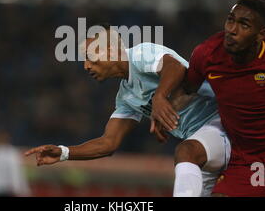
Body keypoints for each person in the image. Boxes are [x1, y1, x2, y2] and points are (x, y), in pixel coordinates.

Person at [154, 0, 265, 196]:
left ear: (261, 34)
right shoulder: (208, 54)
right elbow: (187, 89)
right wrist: (165, 108)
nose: (232, 29)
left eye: (244, 25)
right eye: (230, 20)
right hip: (248, 157)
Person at [25, 24, 231, 197]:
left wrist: (159, 97)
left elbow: (175, 67)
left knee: (185, 153)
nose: (86, 66)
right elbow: (108, 143)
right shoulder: (126, 97)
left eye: (89, 57)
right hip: (202, 141)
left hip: (221, 122)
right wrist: (63, 152)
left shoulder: (141, 53)